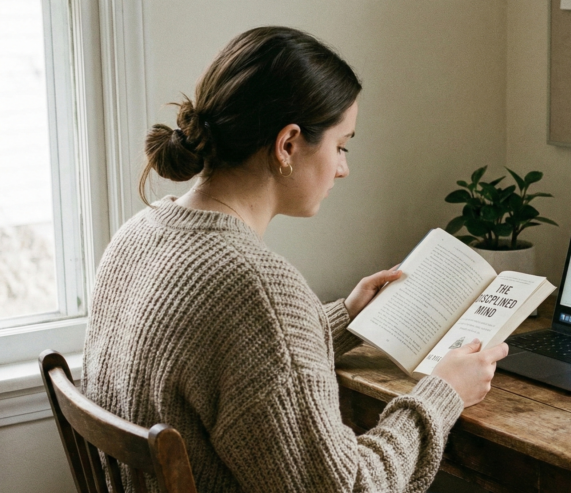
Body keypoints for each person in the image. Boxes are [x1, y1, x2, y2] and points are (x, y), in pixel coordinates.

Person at [82, 26, 507, 492]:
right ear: (288, 145)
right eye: (341, 146)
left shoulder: (137, 233)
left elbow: (223, 364)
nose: (343, 167)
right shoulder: (256, 287)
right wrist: (443, 393)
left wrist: (344, 317)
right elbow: (349, 489)